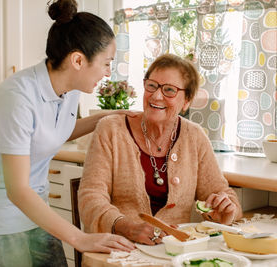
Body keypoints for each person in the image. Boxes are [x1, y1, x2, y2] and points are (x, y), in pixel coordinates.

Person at [0, 0, 135, 266]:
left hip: (36, 212)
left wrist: (111, 116)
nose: (107, 72)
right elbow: (18, 190)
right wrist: (79, 238)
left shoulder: (69, 90)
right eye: (106, 63)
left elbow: (53, 133)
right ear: (78, 60)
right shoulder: (17, 97)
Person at [78, 54, 242, 245]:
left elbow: (222, 194)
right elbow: (90, 198)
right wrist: (126, 226)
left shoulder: (194, 136)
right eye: (152, 86)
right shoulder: (111, 129)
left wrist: (226, 211)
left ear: (187, 100)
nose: (156, 95)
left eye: (169, 90)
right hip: (120, 250)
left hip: (173, 254)